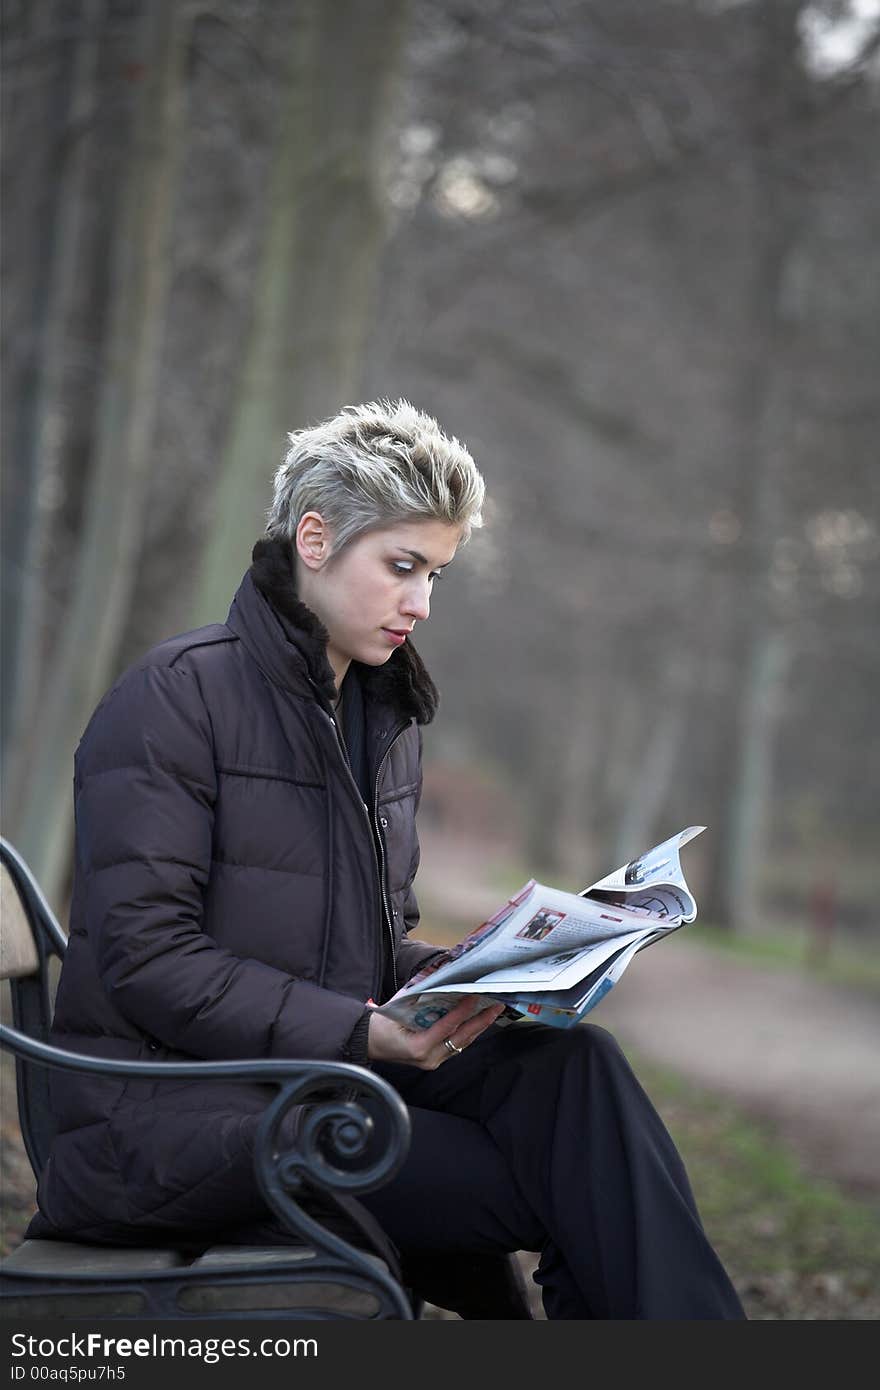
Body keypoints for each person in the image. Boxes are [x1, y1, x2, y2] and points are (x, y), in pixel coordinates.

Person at [28, 399, 745, 1320]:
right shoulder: (176, 699)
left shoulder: (379, 715)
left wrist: (475, 975)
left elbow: (364, 946)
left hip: (306, 1081)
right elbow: (145, 959)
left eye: (437, 573)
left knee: (578, 1070)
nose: (421, 602)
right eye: (402, 567)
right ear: (315, 539)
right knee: (593, 1190)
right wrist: (360, 1032)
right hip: (174, 1122)